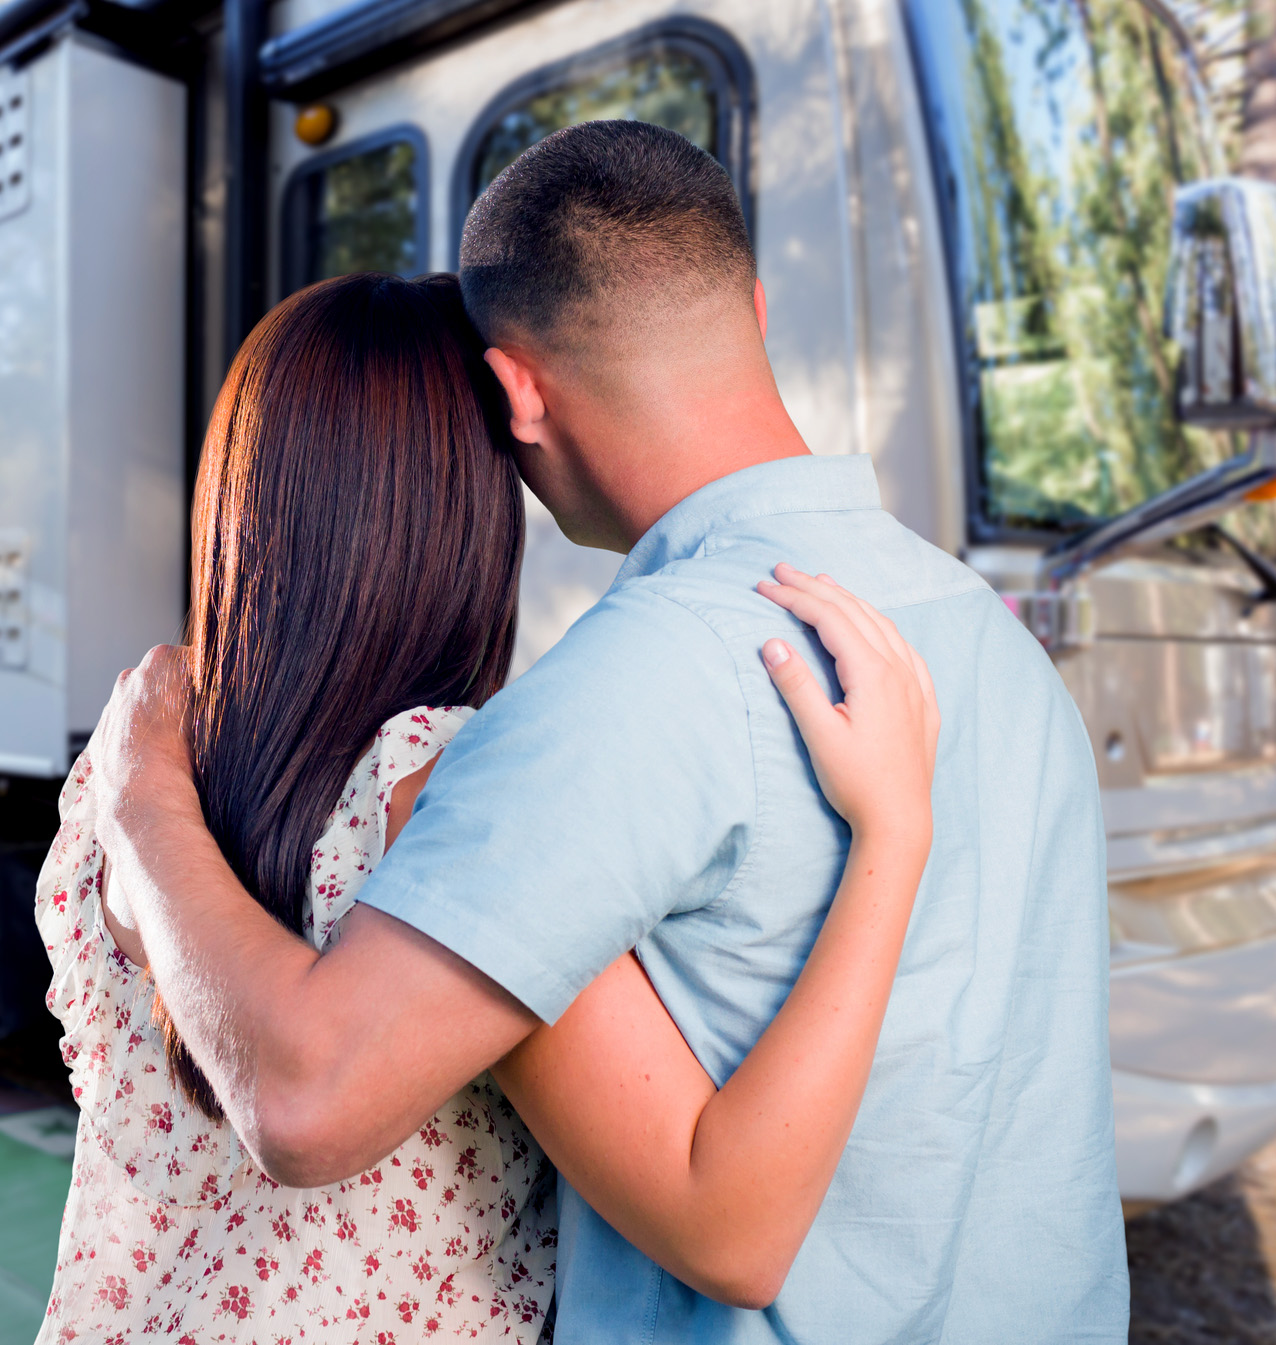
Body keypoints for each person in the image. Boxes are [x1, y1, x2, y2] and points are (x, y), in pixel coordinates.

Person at [91, 122, 1129, 1342]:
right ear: (748, 303)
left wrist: (138, 800)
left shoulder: (621, 691)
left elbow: (309, 1099)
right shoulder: (991, 640)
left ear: (515, 393)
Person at [36, 270, 939, 1342]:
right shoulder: (441, 789)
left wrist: (142, 795)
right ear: (465, 515)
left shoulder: (137, 761)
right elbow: (726, 1225)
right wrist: (893, 830)